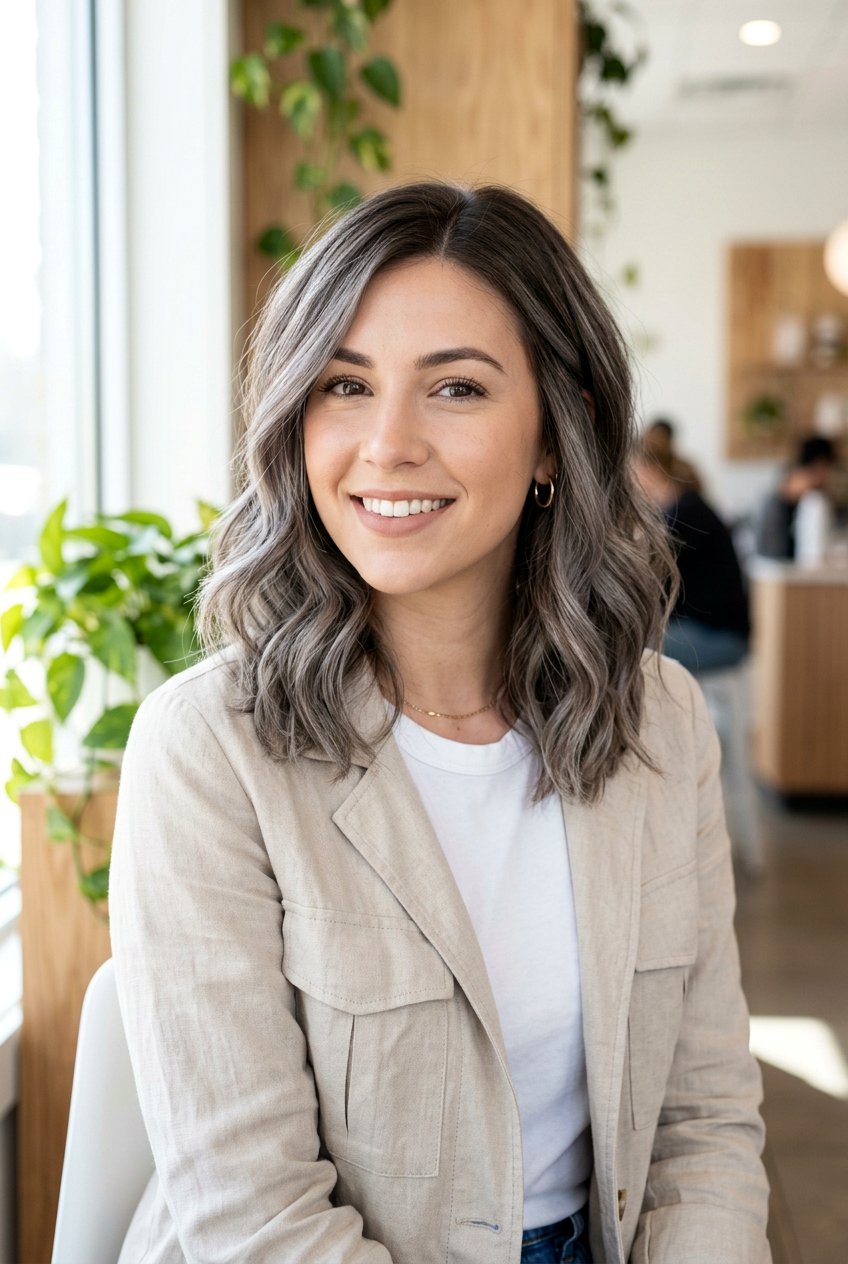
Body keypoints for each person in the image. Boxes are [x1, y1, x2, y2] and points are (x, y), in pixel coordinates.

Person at [109, 182, 771, 1264]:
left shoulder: (662, 723)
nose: (387, 443)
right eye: (343, 385)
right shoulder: (207, 751)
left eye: (455, 387)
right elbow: (255, 1217)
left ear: (560, 434)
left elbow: (699, 1128)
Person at [633, 440, 750, 675]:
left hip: (719, 637)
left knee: (628, 647)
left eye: (630, 471)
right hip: (712, 628)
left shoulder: (685, 515)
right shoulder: (683, 508)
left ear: (648, 471)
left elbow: (653, 585)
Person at [756, 434, 837, 560]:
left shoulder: (792, 489)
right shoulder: (806, 496)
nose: (828, 475)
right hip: (777, 565)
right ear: (819, 464)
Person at [643, 417, 703, 494]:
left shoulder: (683, 469)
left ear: (669, 441)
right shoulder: (639, 468)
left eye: (660, 439)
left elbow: (697, 495)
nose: (656, 444)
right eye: (653, 438)